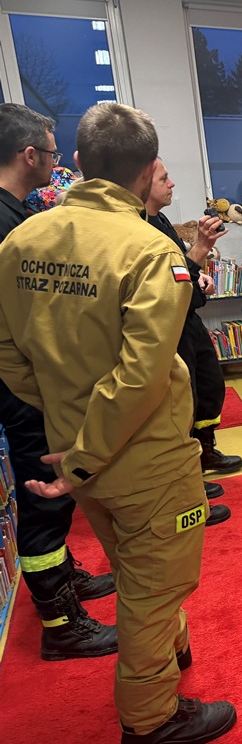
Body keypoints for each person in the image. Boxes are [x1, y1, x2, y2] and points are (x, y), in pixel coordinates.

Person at [0, 102, 236, 744]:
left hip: (76, 452)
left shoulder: (20, 241)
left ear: (77, 163)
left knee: (139, 567)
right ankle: (150, 719)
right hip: (142, 455)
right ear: (146, 171)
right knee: (154, 588)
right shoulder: (151, 250)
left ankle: (171, 649)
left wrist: (68, 420)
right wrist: (91, 446)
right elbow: (141, 375)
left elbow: (7, 353)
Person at [0, 102, 118, 661]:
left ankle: (65, 578)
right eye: (51, 153)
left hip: (30, 382)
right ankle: (61, 622)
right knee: (43, 496)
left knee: (53, 493)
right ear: (30, 155)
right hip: (22, 388)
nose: (57, 163)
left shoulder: (17, 215)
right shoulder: (8, 227)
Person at [144, 158, 242, 503]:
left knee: (209, 385)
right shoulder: (139, 226)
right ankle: (186, 480)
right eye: (164, 178)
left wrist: (197, 277)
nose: (172, 184)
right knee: (182, 401)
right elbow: (162, 283)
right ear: (143, 182)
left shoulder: (161, 221)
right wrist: (201, 247)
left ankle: (205, 452)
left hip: (188, 317)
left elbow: (178, 271)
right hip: (168, 327)